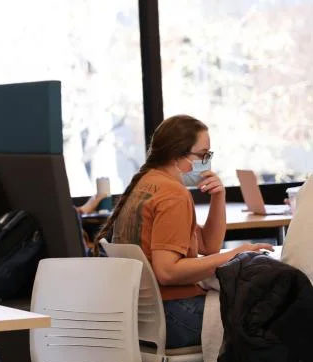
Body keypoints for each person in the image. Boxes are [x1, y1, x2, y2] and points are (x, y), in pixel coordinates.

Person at [94, 114, 272, 349]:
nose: (206, 162)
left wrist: (218, 197)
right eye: (203, 155)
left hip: (142, 319)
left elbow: (209, 246)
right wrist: (236, 254)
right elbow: (167, 271)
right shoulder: (173, 194)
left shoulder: (147, 184)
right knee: (271, 320)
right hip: (175, 314)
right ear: (178, 155)